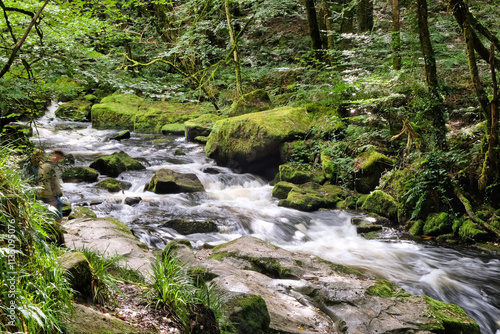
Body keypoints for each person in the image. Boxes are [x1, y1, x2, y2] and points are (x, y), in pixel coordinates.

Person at [38, 149, 65, 222]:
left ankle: (57, 229)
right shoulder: (47, 166)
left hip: (52, 194)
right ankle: (57, 229)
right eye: (59, 158)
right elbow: (44, 182)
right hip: (48, 195)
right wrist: (51, 199)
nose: (59, 160)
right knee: (56, 213)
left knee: (55, 211)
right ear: (55, 156)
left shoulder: (50, 165)